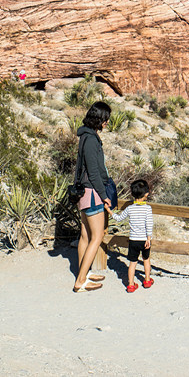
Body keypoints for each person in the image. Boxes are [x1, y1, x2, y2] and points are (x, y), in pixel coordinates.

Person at [73, 100, 113, 292]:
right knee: (97, 236)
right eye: (105, 119)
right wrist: (104, 195)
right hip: (92, 193)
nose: (107, 123)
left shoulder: (86, 137)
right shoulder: (90, 140)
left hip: (84, 192)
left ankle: (84, 272)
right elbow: (94, 172)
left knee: (85, 235)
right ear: (99, 119)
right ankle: (80, 281)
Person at [111, 179, 154, 293]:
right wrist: (149, 238)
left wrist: (109, 211)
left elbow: (119, 218)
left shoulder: (129, 208)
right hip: (144, 240)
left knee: (132, 263)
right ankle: (147, 280)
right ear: (146, 194)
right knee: (146, 260)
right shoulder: (147, 209)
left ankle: (130, 285)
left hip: (133, 240)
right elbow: (149, 225)